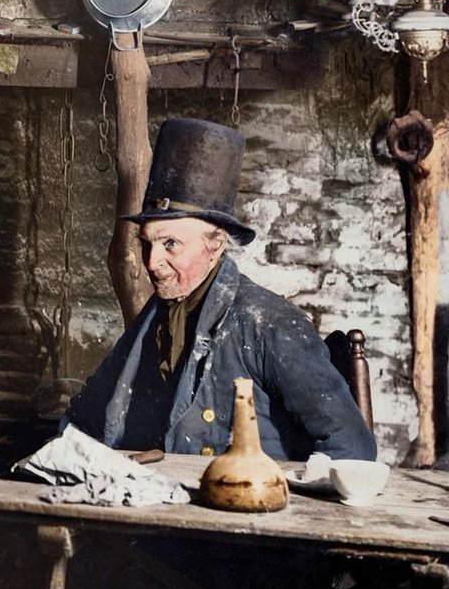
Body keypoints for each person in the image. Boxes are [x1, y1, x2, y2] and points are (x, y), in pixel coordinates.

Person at [66, 117, 376, 462]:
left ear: (215, 244)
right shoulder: (154, 318)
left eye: (171, 244)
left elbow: (352, 448)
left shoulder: (268, 323)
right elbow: (87, 418)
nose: (152, 263)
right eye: (146, 244)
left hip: (249, 507)